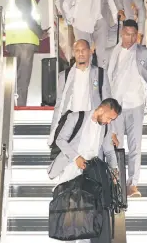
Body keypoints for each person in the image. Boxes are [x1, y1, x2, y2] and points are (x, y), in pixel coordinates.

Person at [47, 98, 122, 243]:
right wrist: (76, 157)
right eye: (109, 117)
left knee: (87, 213)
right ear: (101, 110)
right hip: (69, 169)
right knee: (69, 212)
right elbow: (61, 140)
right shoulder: (76, 117)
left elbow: (109, 151)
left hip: (89, 173)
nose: (109, 122)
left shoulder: (105, 128)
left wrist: (114, 170)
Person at [108, 19, 147, 197]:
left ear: (137, 35)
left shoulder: (144, 53)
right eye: (127, 34)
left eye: (133, 35)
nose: (130, 38)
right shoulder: (113, 53)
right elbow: (108, 80)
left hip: (137, 105)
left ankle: (133, 184)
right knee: (116, 144)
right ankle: (116, 182)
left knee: (135, 145)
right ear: (122, 33)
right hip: (116, 107)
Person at [48, 39, 119, 147]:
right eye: (77, 50)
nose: (80, 53)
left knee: (93, 160)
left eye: (84, 50)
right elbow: (59, 105)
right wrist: (53, 132)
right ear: (73, 53)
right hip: (71, 125)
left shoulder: (100, 73)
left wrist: (112, 132)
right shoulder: (64, 76)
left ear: (90, 51)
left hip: (92, 125)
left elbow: (108, 104)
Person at [5, 0, 49, 106]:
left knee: (18, 78)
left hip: (16, 40)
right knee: (22, 78)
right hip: (23, 41)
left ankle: (15, 106)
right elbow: (27, 16)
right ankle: (19, 108)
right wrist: (40, 33)